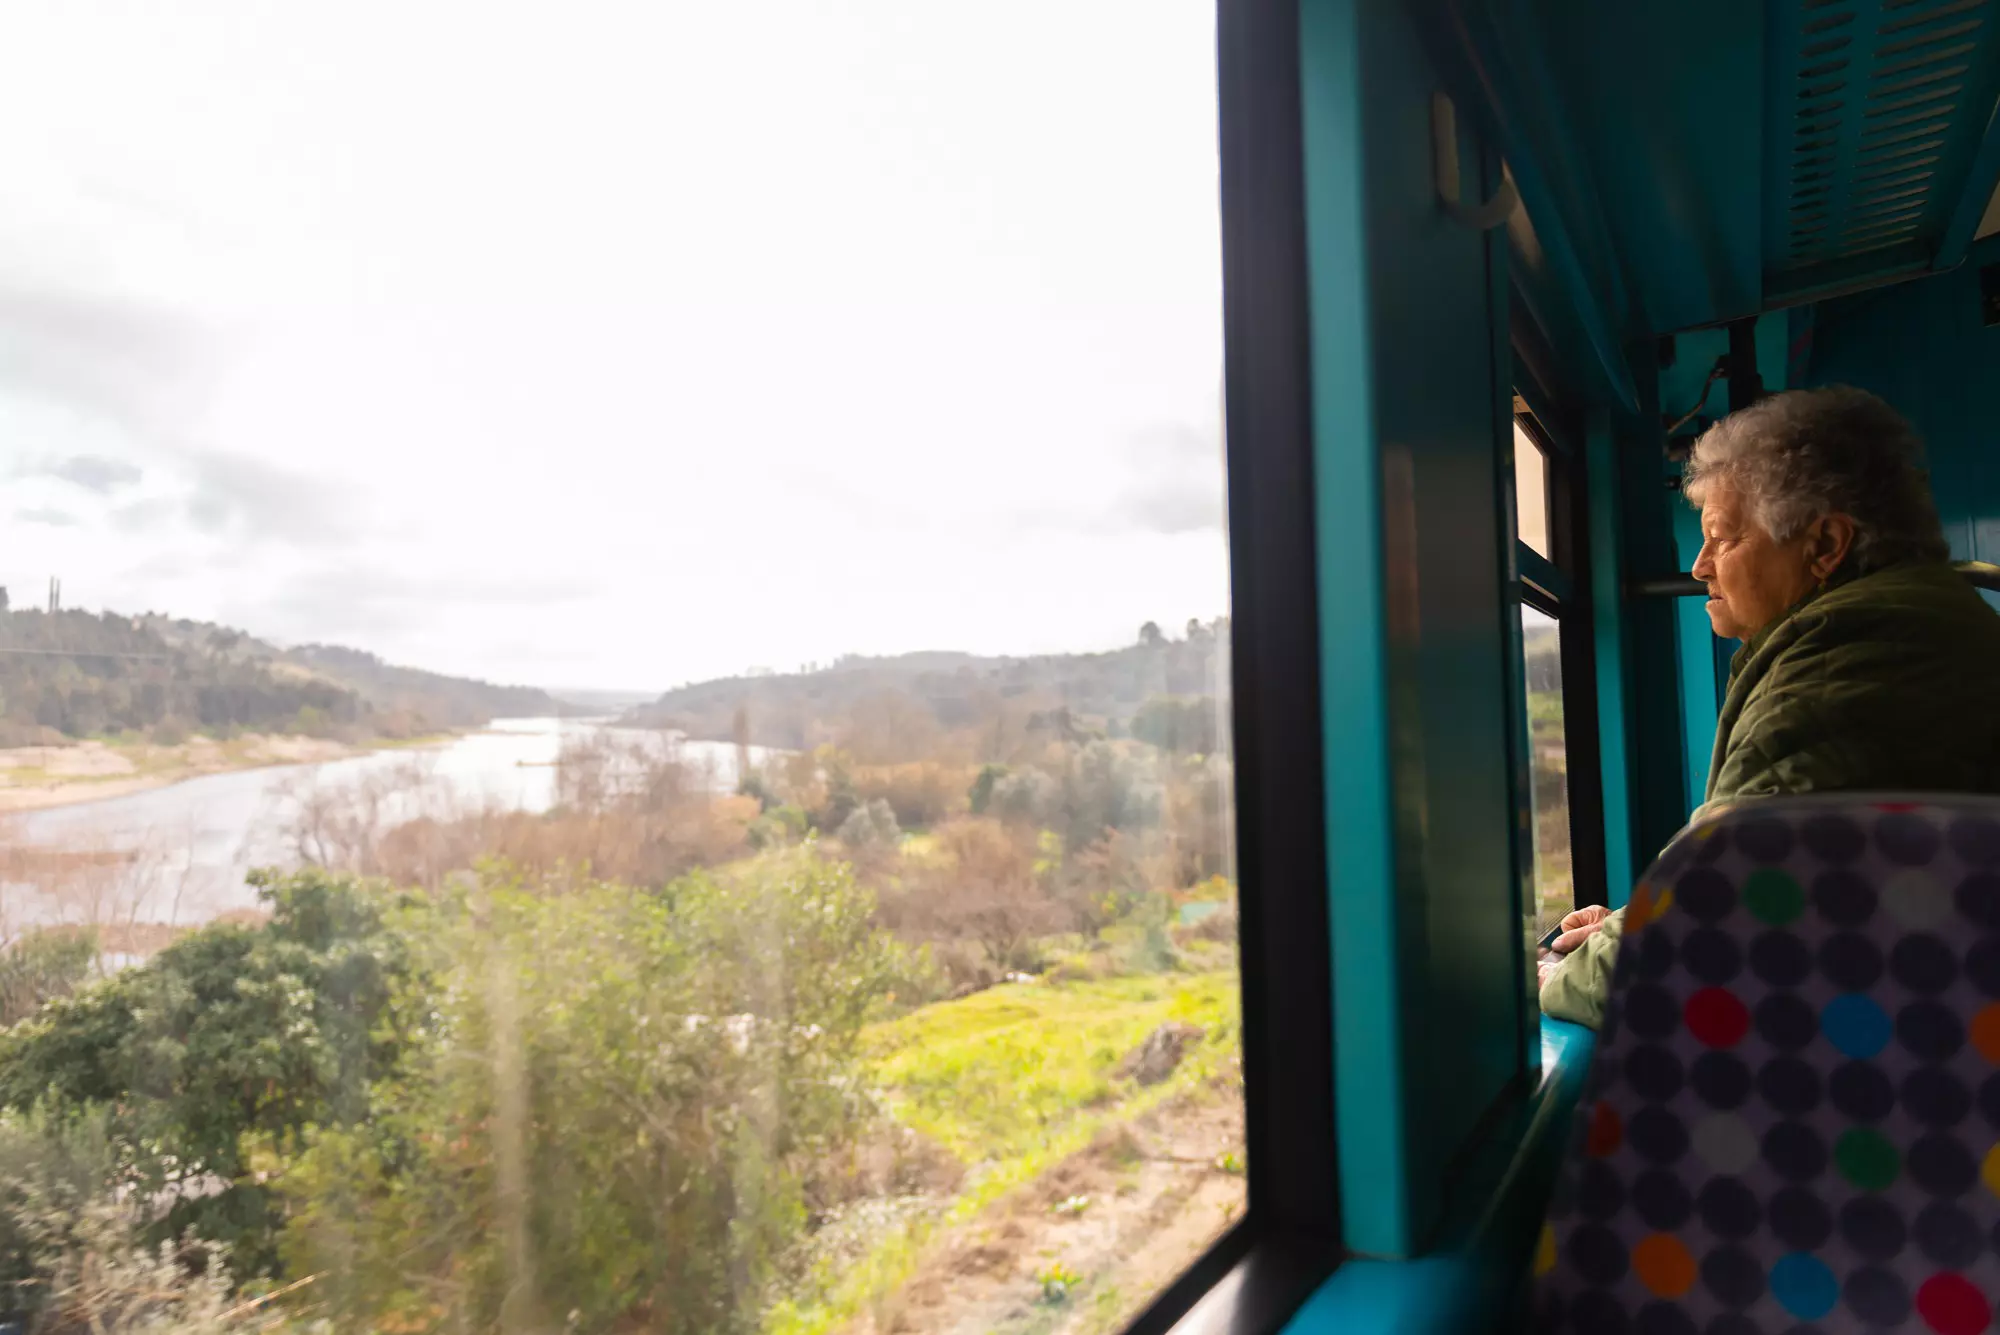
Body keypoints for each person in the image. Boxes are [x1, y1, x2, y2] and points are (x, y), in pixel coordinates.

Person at [1540, 386, 2000, 1028]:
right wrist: (1626, 925)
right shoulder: (1913, 630)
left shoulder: (1855, 665)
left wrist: (1562, 976)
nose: (1699, 567)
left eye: (1721, 539)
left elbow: (1700, 948)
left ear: (1824, 546)